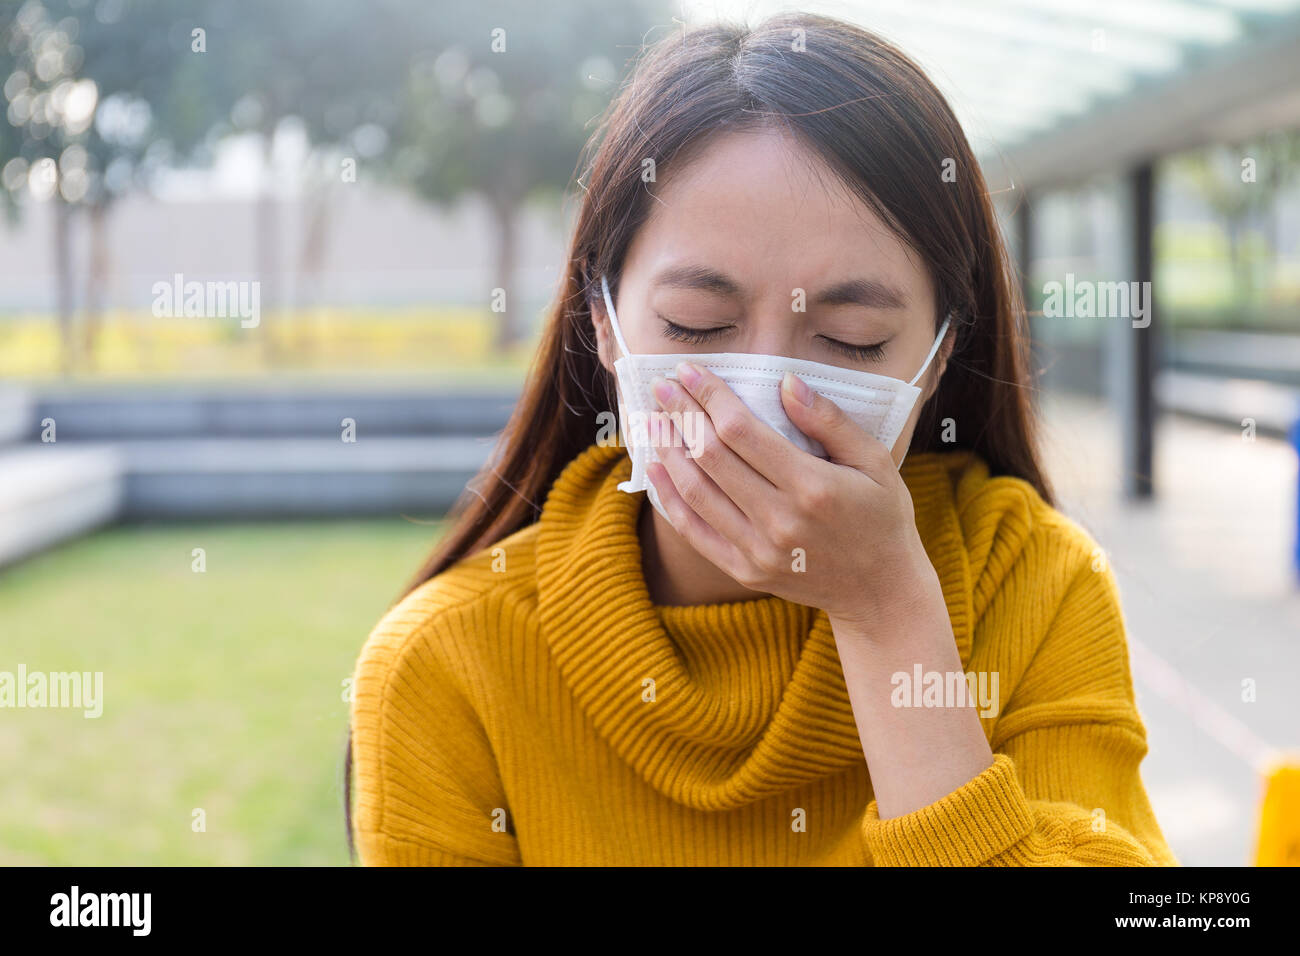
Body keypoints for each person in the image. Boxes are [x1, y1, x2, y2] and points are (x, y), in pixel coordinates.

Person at [345, 11, 1178, 866]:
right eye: (697, 324)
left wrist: (888, 613)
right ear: (602, 321)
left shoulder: (1032, 583)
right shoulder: (448, 663)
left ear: (937, 359)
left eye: (852, 338)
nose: (765, 399)